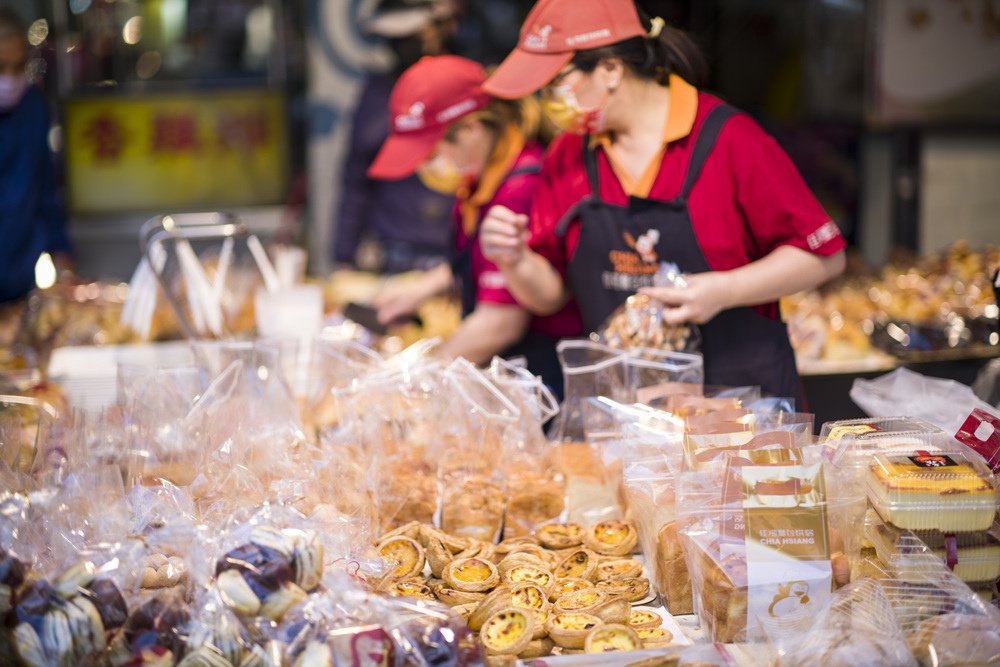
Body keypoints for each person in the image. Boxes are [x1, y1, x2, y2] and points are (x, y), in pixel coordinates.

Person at [477, 0, 847, 400]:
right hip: (628, 413)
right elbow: (550, 295)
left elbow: (825, 256)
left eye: (556, 82)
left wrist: (724, 289)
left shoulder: (730, 140)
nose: (548, 99)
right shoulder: (569, 155)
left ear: (610, 69)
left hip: (741, 411)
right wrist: (513, 259)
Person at [369, 55, 581, 396]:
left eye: (432, 152)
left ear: (470, 129)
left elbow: (500, 323)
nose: (430, 165)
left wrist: (415, 381)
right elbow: (477, 262)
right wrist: (420, 290)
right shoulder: (481, 181)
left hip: (543, 384)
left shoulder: (520, 190)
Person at [331, 0, 460, 274]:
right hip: (390, 253)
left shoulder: (463, 89)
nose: (400, 47)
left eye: (410, 37)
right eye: (392, 39)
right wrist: (343, 256)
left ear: (444, 27)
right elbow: (355, 180)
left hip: (452, 254)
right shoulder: (378, 95)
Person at [0, 6, 71, 304]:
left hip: (20, 280)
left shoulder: (34, 109)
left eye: (18, 67)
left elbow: (46, 191)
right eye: (0, 66)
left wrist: (60, 251)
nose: (9, 79)